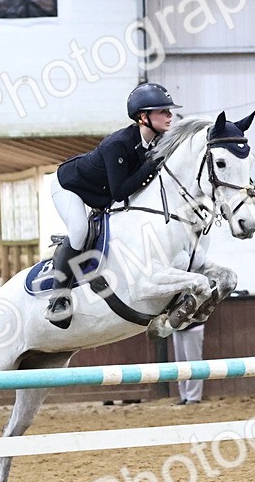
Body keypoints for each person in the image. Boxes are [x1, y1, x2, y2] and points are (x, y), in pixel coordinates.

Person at [46, 82, 181, 328]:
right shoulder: (118, 144)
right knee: (79, 231)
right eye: (163, 111)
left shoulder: (158, 142)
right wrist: (151, 166)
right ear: (144, 117)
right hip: (70, 186)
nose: (170, 115)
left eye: (169, 111)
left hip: (101, 192)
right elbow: (120, 192)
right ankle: (59, 297)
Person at [171, 321, 205, 404]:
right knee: (180, 364)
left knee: (194, 362)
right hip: (177, 327)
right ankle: (184, 396)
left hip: (193, 326)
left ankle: (194, 396)